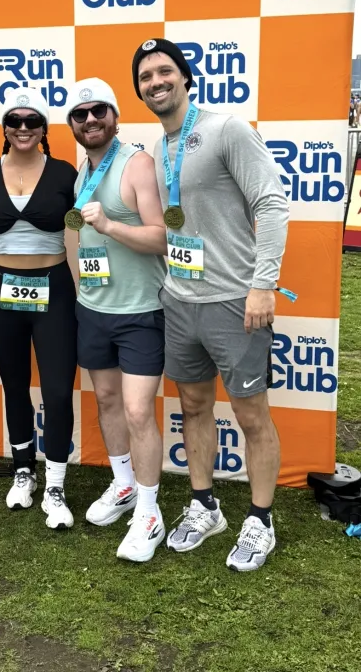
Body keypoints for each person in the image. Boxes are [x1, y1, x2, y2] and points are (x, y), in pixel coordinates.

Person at [132, 37, 290, 572]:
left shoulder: (227, 129)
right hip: (180, 299)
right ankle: (204, 505)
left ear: (184, 76)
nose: (155, 82)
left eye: (163, 71)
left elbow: (270, 203)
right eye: (146, 76)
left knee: (251, 415)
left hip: (233, 301)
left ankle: (260, 518)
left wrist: (263, 283)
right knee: (193, 408)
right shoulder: (158, 147)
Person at [64, 78, 168, 562]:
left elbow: (161, 238)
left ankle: (150, 510)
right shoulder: (79, 172)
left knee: (136, 411)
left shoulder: (137, 163)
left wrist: (108, 225)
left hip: (140, 311)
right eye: (80, 114)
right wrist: (78, 282)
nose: (90, 120)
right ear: (72, 125)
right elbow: (73, 233)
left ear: (115, 115)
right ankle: (124, 485)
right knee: (106, 399)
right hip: (94, 311)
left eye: (98, 111)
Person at [0, 87, 78, 529]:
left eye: (32, 121)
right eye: (14, 121)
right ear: (5, 128)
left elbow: (84, 223)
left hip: (53, 286)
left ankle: (55, 483)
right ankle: (23, 471)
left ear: (44, 128)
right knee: (14, 384)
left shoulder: (64, 173)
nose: (23, 128)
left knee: (57, 389)